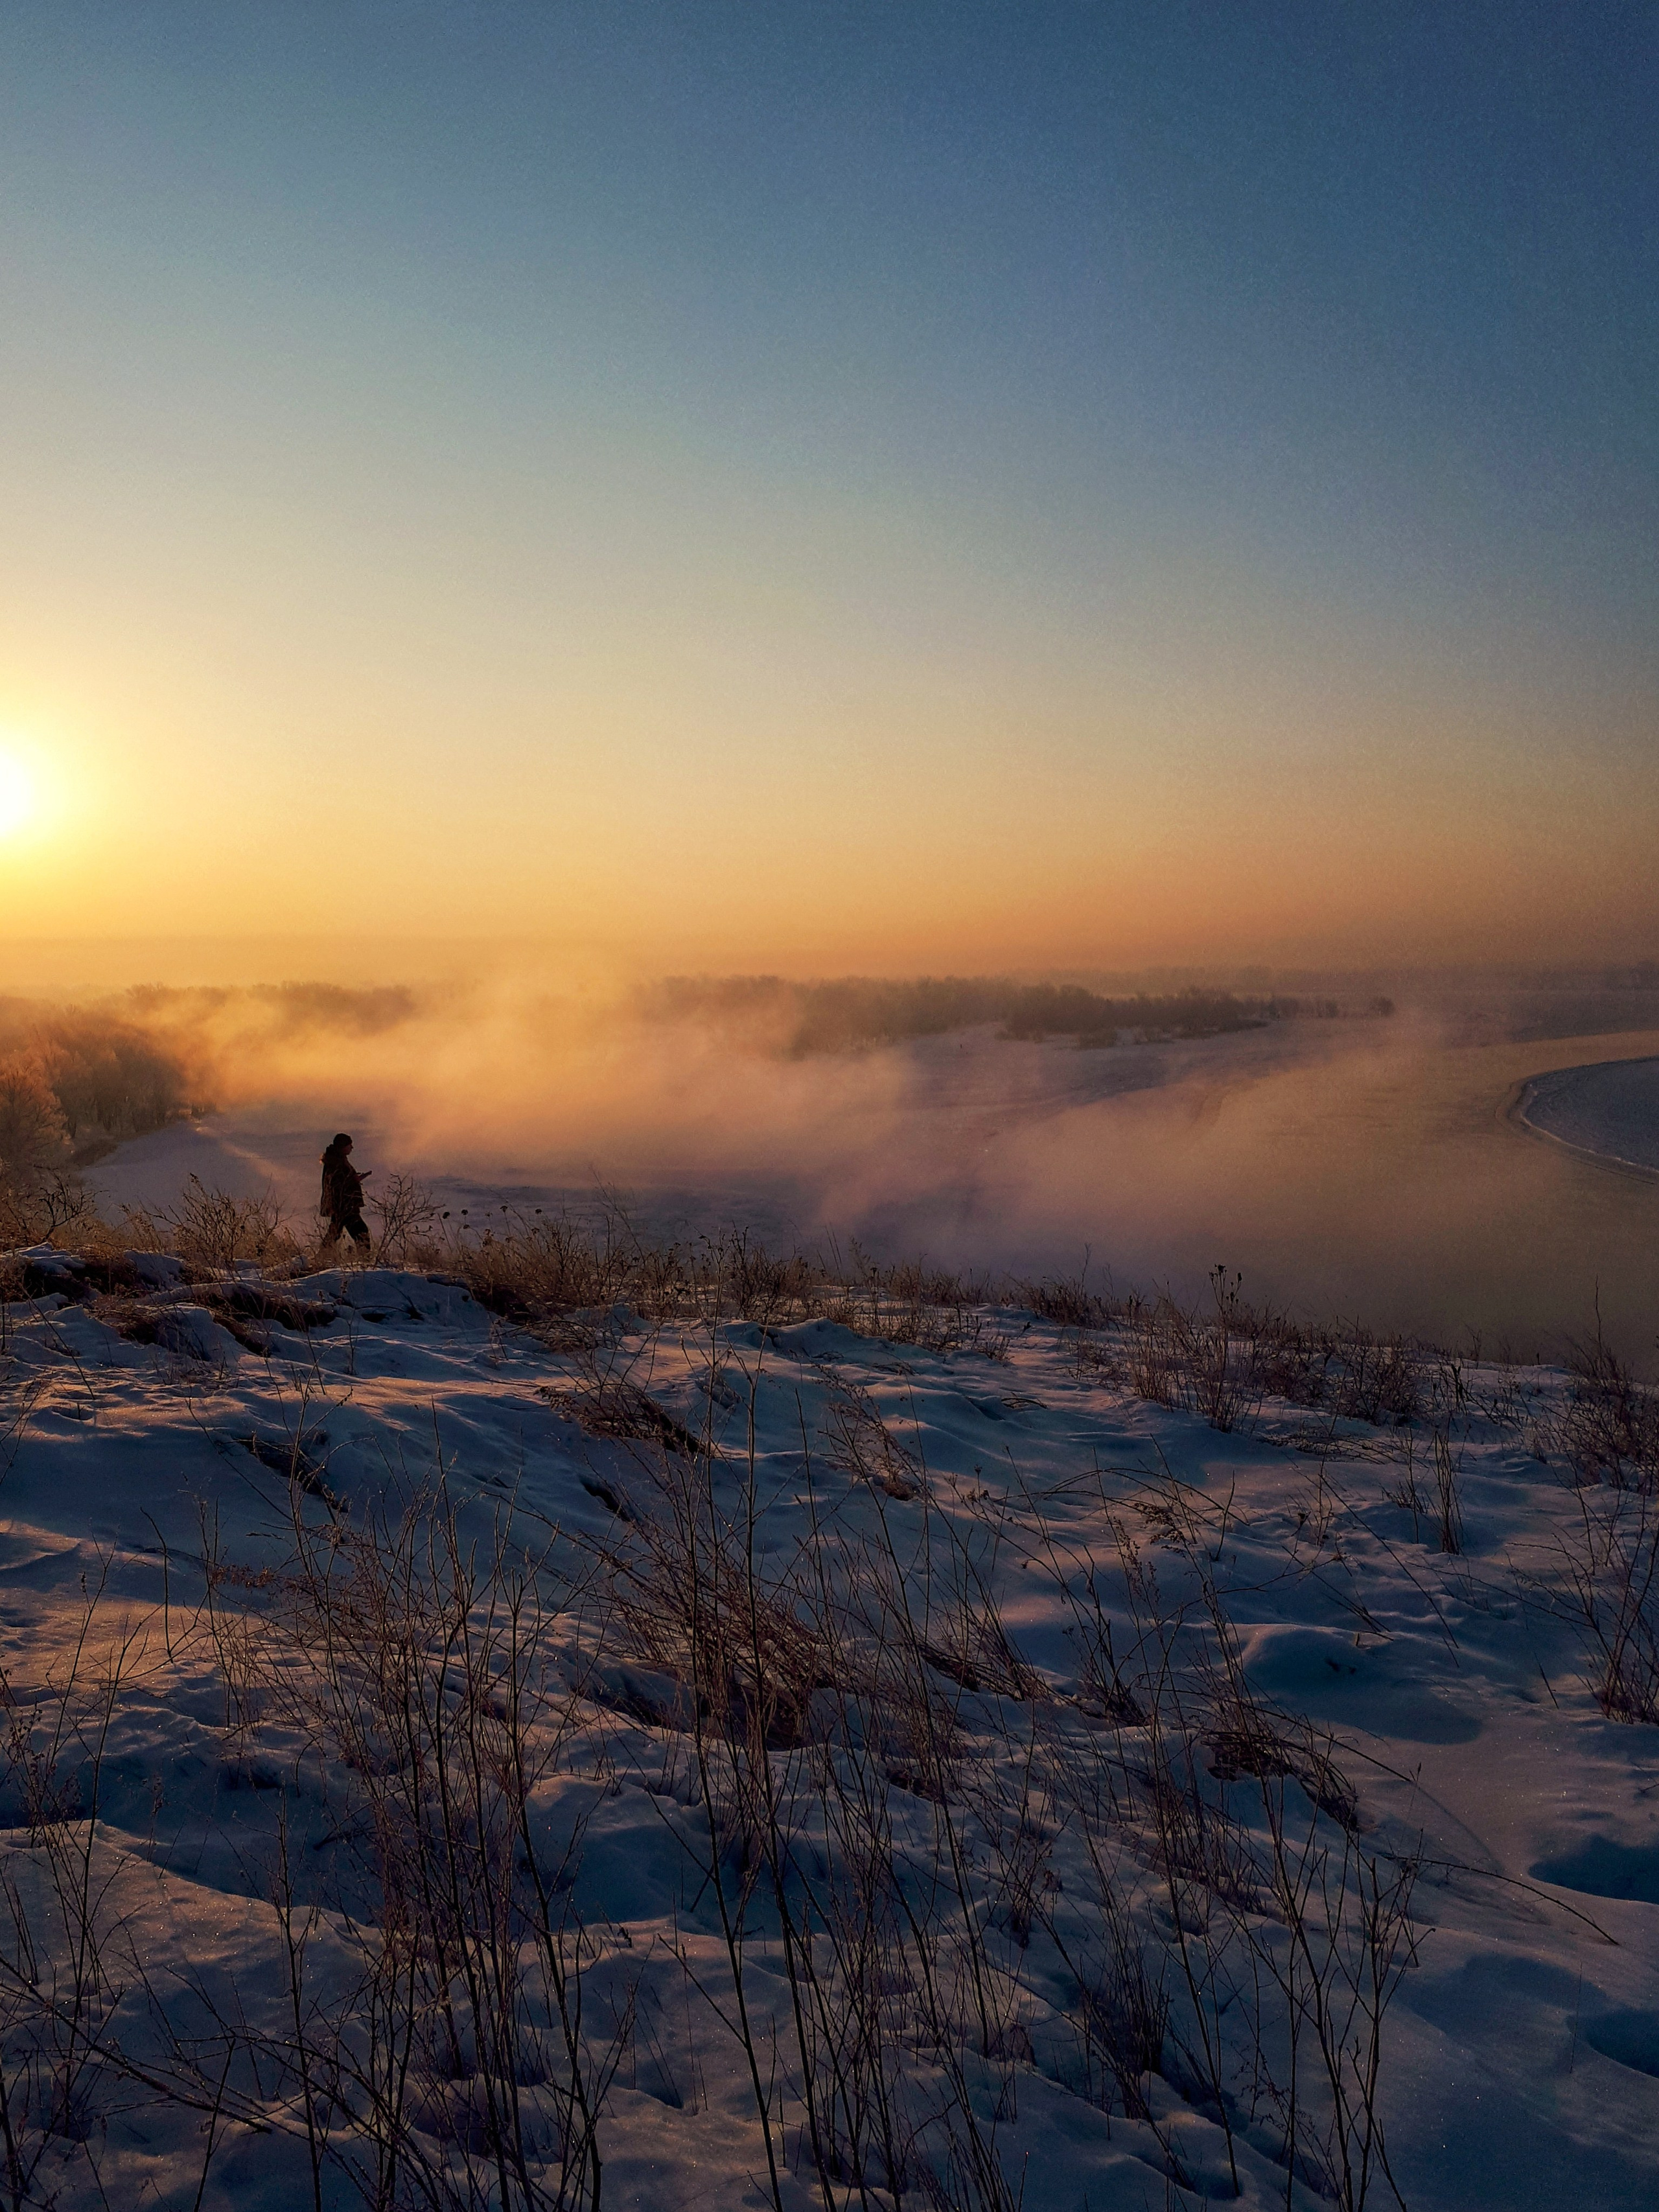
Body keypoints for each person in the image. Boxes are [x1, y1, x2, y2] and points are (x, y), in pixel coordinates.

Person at [318, 1132, 372, 1255]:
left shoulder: (337, 1160)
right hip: (345, 1205)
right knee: (361, 1232)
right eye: (349, 1145)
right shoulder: (336, 1162)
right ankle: (366, 1262)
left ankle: (321, 1258)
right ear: (342, 1146)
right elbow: (337, 1184)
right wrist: (355, 1180)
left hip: (342, 1205)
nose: (352, 1148)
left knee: (335, 1233)